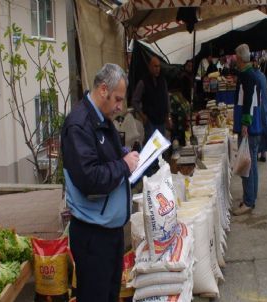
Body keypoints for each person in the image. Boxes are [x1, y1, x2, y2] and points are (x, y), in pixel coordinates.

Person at [61, 63, 140, 301]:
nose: (119, 106)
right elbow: (90, 178)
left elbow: (109, 155)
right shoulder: (79, 125)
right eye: (117, 99)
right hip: (93, 235)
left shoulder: (102, 118)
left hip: (111, 230)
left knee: (109, 294)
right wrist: (124, 165)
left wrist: (128, 157)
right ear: (103, 90)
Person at [232, 44, 262, 216]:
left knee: (246, 164)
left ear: (240, 58)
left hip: (249, 128)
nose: (235, 61)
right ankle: (251, 197)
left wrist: (245, 124)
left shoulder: (247, 75)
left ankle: (249, 201)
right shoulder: (253, 74)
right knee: (252, 165)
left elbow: (249, 101)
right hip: (254, 127)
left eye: (236, 57)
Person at [132, 56, 171, 144]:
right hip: (150, 121)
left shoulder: (162, 81)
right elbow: (134, 101)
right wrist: (142, 115)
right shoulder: (143, 82)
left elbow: (166, 98)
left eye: (159, 66)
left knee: (161, 146)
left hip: (162, 120)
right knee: (153, 146)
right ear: (150, 67)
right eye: (155, 66)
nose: (157, 69)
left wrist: (168, 116)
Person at [252, 55, 267, 162]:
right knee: (263, 130)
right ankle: (263, 154)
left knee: (258, 131)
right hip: (265, 105)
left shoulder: (254, 77)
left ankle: (257, 153)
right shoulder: (262, 76)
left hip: (259, 106)